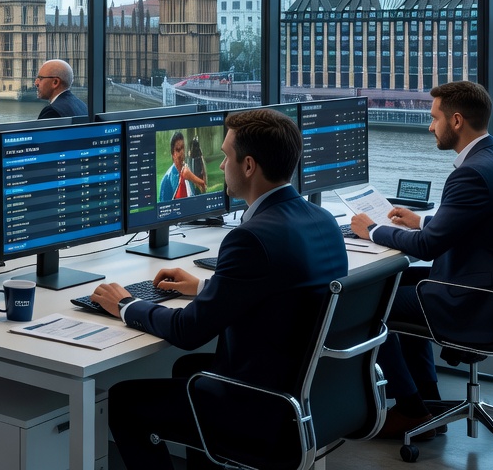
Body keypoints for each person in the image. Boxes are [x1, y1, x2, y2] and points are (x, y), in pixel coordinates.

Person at [91, 109, 347, 470]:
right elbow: (282, 288)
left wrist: (126, 305)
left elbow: (188, 330)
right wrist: (204, 286)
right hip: (308, 394)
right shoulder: (320, 220)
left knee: (124, 401)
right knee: (187, 368)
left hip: (261, 406)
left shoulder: (250, 238)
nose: (221, 165)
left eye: (226, 156)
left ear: (248, 166)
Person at [350, 80, 493, 439]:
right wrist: (421, 220)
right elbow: (477, 223)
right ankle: (425, 400)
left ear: (456, 121)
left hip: (469, 298)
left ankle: (409, 407)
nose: (428, 126)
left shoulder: (471, 173)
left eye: (433, 118)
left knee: (371, 305)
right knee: (396, 285)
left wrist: (371, 231)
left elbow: (428, 248)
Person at [157, 131, 207, 202]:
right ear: (173, 154)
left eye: (183, 148)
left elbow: (201, 193)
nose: (182, 152)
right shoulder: (167, 180)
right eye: (178, 149)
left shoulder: (189, 171)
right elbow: (165, 209)